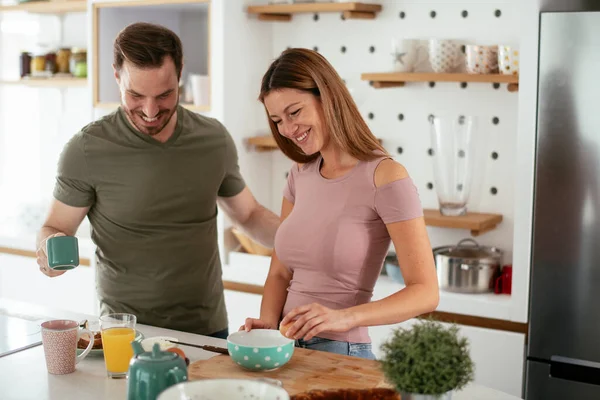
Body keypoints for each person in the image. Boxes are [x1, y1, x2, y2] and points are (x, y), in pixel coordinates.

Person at [35, 22, 280, 339]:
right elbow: (56, 227)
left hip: (206, 330)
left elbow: (249, 215)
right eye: (135, 95)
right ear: (116, 77)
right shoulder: (86, 150)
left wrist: (300, 240)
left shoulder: (213, 140)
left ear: (180, 75)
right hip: (125, 333)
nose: (150, 111)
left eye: (165, 95)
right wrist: (48, 250)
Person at [242, 48, 439, 359]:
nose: (288, 130)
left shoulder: (385, 177)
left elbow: (426, 293)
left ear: (328, 97)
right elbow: (279, 273)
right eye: (277, 120)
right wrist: (267, 328)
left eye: (295, 112)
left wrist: (345, 316)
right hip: (285, 349)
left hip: (341, 351)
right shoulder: (299, 174)